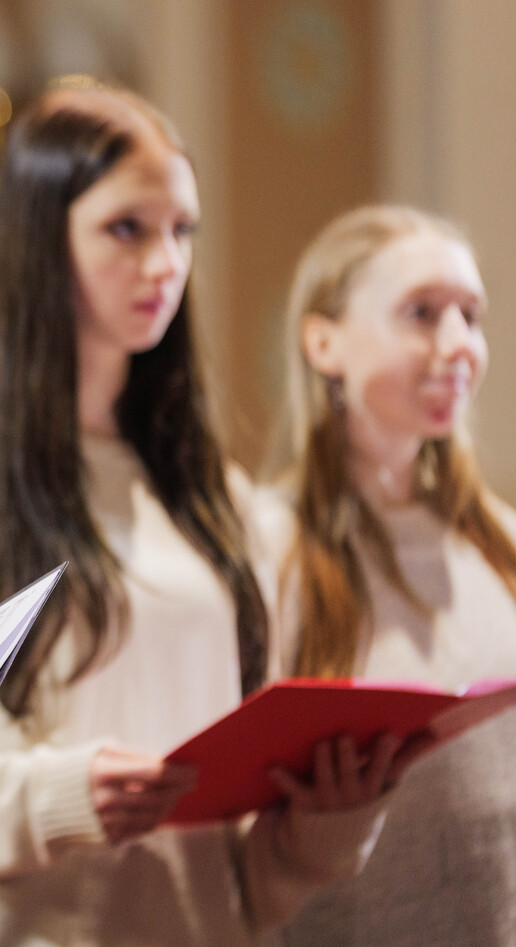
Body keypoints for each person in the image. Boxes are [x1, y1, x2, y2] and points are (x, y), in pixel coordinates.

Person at [0, 81, 409, 947]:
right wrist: (58, 798)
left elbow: (239, 872)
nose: (165, 263)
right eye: (127, 229)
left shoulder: (213, 495)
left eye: (182, 231)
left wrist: (330, 820)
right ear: (42, 238)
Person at [261, 205, 516, 946]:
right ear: (324, 342)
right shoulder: (267, 548)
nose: (458, 344)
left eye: (471, 316)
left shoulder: (501, 540)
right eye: (422, 313)